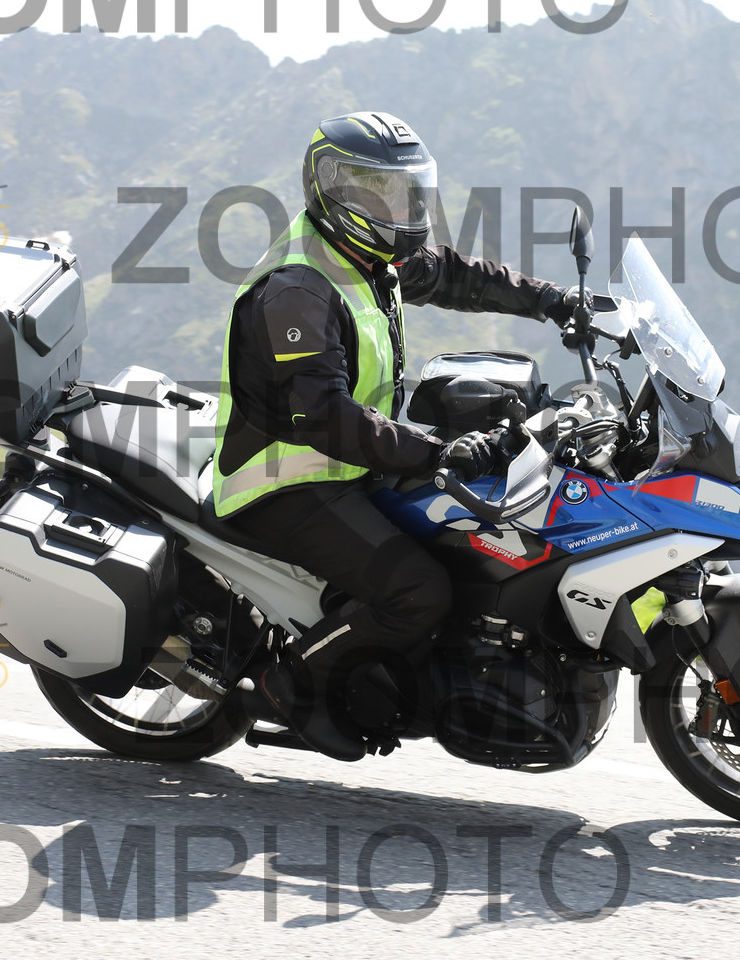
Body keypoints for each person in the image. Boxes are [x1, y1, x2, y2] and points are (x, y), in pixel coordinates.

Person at [212, 111, 574, 761]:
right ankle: (288, 686)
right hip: (285, 481)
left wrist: (552, 300)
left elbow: (458, 275)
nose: (400, 209)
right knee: (417, 590)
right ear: (334, 190)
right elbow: (325, 417)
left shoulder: (369, 255)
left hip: (353, 461)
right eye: (380, 193)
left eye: (407, 192)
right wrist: (436, 455)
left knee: (476, 544)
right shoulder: (297, 289)